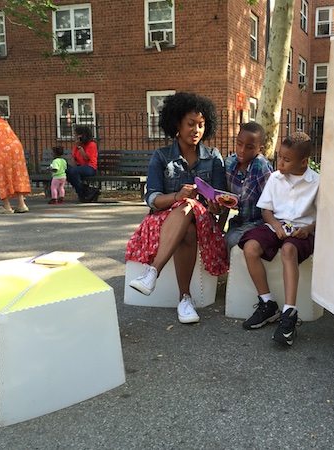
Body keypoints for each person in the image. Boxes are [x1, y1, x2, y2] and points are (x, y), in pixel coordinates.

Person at [126, 92, 228, 324]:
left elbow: (220, 203)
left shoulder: (213, 157)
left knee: (191, 207)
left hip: (203, 222)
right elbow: (152, 198)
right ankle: (185, 299)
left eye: (201, 125)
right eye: (191, 124)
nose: (196, 130)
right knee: (187, 220)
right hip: (165, 220)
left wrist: (216, 206)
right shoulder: (161, 156)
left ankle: (152, 273)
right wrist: (177, 196)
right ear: (177, 125)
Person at [238, 132, 319, 347]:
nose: (280, 162)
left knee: (288, 250)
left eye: (286, 159)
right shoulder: (275, 178)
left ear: (303, 161)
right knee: (250, 247)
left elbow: (324, 218)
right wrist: (275, 226)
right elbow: (266, 212)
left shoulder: (317, 183)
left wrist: (309, 229)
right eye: (279, 157)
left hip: (302, 232)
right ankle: (267, 303)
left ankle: (289, 313)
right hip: (275, 226)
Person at [220, 122, 273, 252]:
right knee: (221, 242)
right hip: (239, 222)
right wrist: (218, 229)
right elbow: (225, 200)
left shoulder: (261, 166)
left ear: (260, 149)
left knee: (232, 241)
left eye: (249, 147)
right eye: (239, 144)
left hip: (259, 222)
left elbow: (271, 203)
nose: (242, 150)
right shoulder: (229, 164)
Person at [66, 125, 99, 203]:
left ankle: (81, 194)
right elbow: (73, 158)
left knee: (74, 171)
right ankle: (87, 192)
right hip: (79, 167)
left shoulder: (91, 144)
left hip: (90, 167)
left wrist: (79, 147)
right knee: (66, 170)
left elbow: (86, 158)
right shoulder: (76, 145)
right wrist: (73, 162)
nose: (75, 137)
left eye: (77, 135)